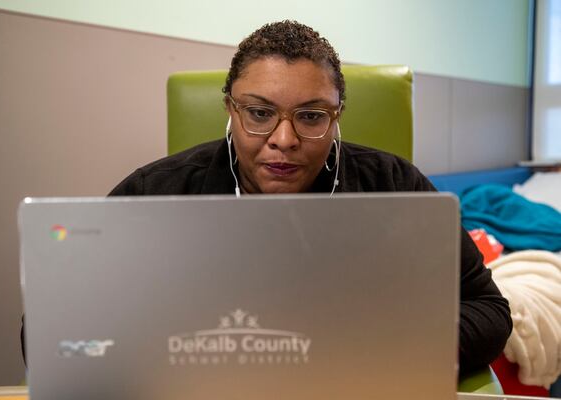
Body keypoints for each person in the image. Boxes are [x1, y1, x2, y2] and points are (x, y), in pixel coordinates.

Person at [25, 20, 512, 375]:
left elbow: (489, 310)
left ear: (337, 116)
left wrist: (385, 347)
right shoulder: (156, 193)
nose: (283, 139)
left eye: (311, 116)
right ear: (230, 110)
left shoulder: (397, 185)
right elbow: (48, 329)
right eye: (259, 113)